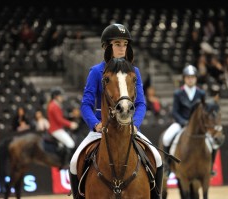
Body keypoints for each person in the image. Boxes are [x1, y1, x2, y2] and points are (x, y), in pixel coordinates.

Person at [69, 23, 163, 199]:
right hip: (101, 129)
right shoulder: (97, 72)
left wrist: (135, 125)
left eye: (125, 44)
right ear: (107, 47)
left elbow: (141, 103)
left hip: (128, 127)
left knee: (157, 158)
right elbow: (86, 105)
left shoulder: (134, 72)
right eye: (117, 44)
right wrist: (95, 124)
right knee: (74, 162)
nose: (122, 48)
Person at [162, 65, 209, 174]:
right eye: (188, 77)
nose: (190, 79)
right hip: (181, 123)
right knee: (166, 138)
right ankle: (167, 165)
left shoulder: (201, 93)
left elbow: (204, 111)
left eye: (192, 77)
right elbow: (174, 111)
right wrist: (183, 122)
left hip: (197, 126)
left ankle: (209, 167)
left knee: (212, 141)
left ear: (196, 78)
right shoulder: (178, 93)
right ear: (184, 78)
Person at [47, 87, 78, 168]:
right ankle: (66, 163)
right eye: (61, 96)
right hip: (56, 130)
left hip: (58, 128)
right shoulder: (54, 106)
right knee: (71, 144)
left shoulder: (55, 105)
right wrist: (70, 124)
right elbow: (59, 119)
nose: (62, 97)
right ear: (56, 96)